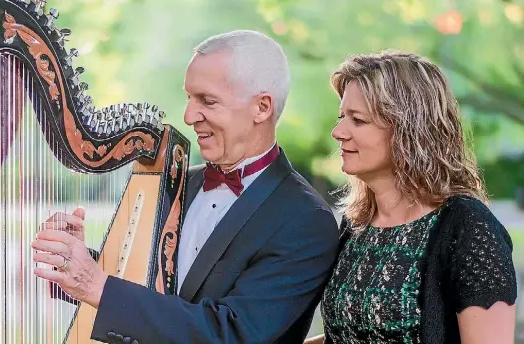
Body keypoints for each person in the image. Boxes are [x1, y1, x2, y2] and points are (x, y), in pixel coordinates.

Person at [31, 30, 340, 344]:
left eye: (207, 100)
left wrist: (98, 287)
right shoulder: (178, 183)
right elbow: (152, 290)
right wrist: (75, 263)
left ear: (261, 108)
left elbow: (232, 334)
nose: (189, 115)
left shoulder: (305, 220)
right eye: (189, 97)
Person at [304, 51, 518, 344]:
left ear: (408, 130)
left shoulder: (469, 228)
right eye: (342, 116)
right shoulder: (357, 226)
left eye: (358, 120)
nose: (338, 131)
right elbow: (347, 335)